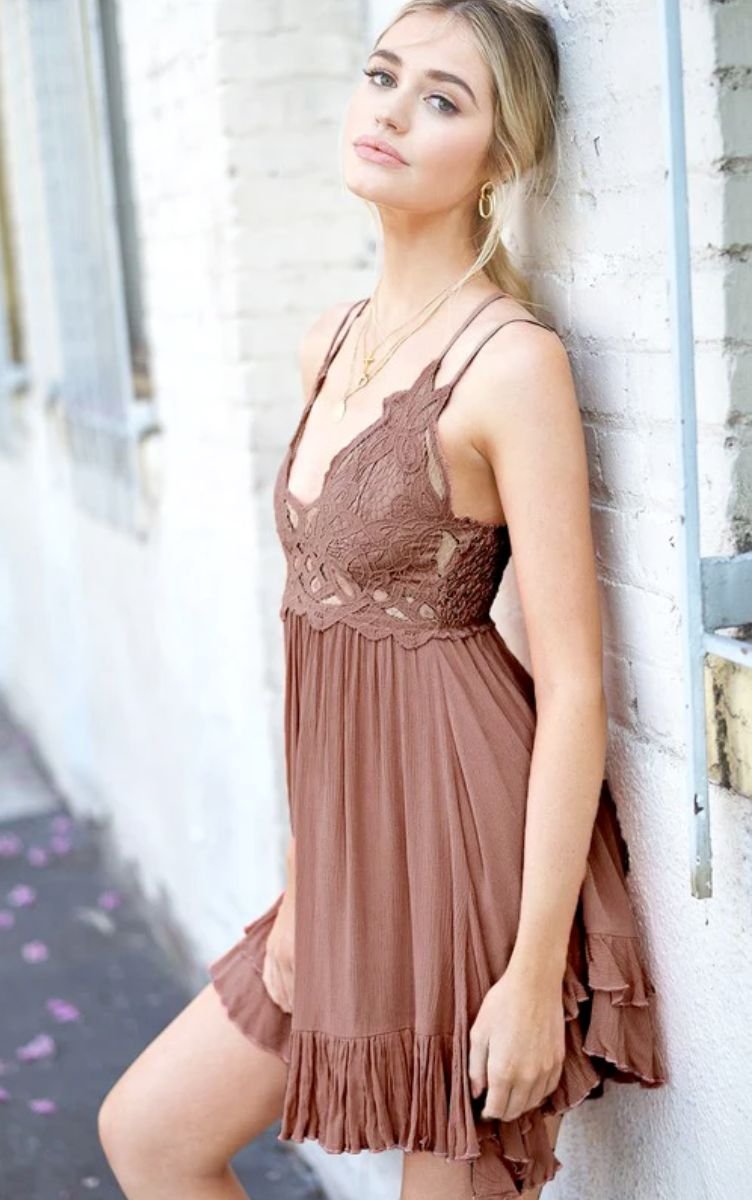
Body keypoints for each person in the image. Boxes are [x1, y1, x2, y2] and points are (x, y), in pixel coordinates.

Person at [97, 2, 667, 1197]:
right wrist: (305, 881)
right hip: (347, 846)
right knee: (151, 1135)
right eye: (382, 75)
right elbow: (320, 643)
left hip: (467, 848)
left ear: (500, 158)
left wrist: (524, 977)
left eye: (442, 99)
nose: (391, 111)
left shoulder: (510, 364)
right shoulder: (329, 342)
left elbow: (570, 684)